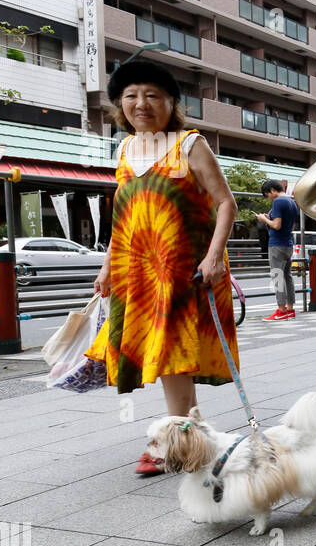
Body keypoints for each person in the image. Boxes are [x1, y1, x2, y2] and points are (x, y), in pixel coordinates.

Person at [85, 59, 240, 476]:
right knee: (159, 355)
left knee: (174, 356)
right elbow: (125, 217)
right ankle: (191, 436)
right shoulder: (123, 149)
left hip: (184, 269)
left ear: (171, 102)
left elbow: (226, 202)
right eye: (131, 95)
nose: (142, 104)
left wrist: (212, 257)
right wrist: (106, 267)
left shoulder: (190, 144)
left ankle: (176, 444)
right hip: (136, 272)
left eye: (153, 95)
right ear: (120, 104)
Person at [256, 179, 298, 321]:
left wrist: (263, 219)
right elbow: (287, 225)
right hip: (288, 244)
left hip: (277, 245)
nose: (269, 198)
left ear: (272, 190)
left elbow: (277, 225)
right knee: (287, 277)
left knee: (277, 277)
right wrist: (270, 217)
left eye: (267, 195)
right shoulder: (292, 202)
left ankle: (281, 310)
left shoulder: (278, 202)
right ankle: (290, 309)